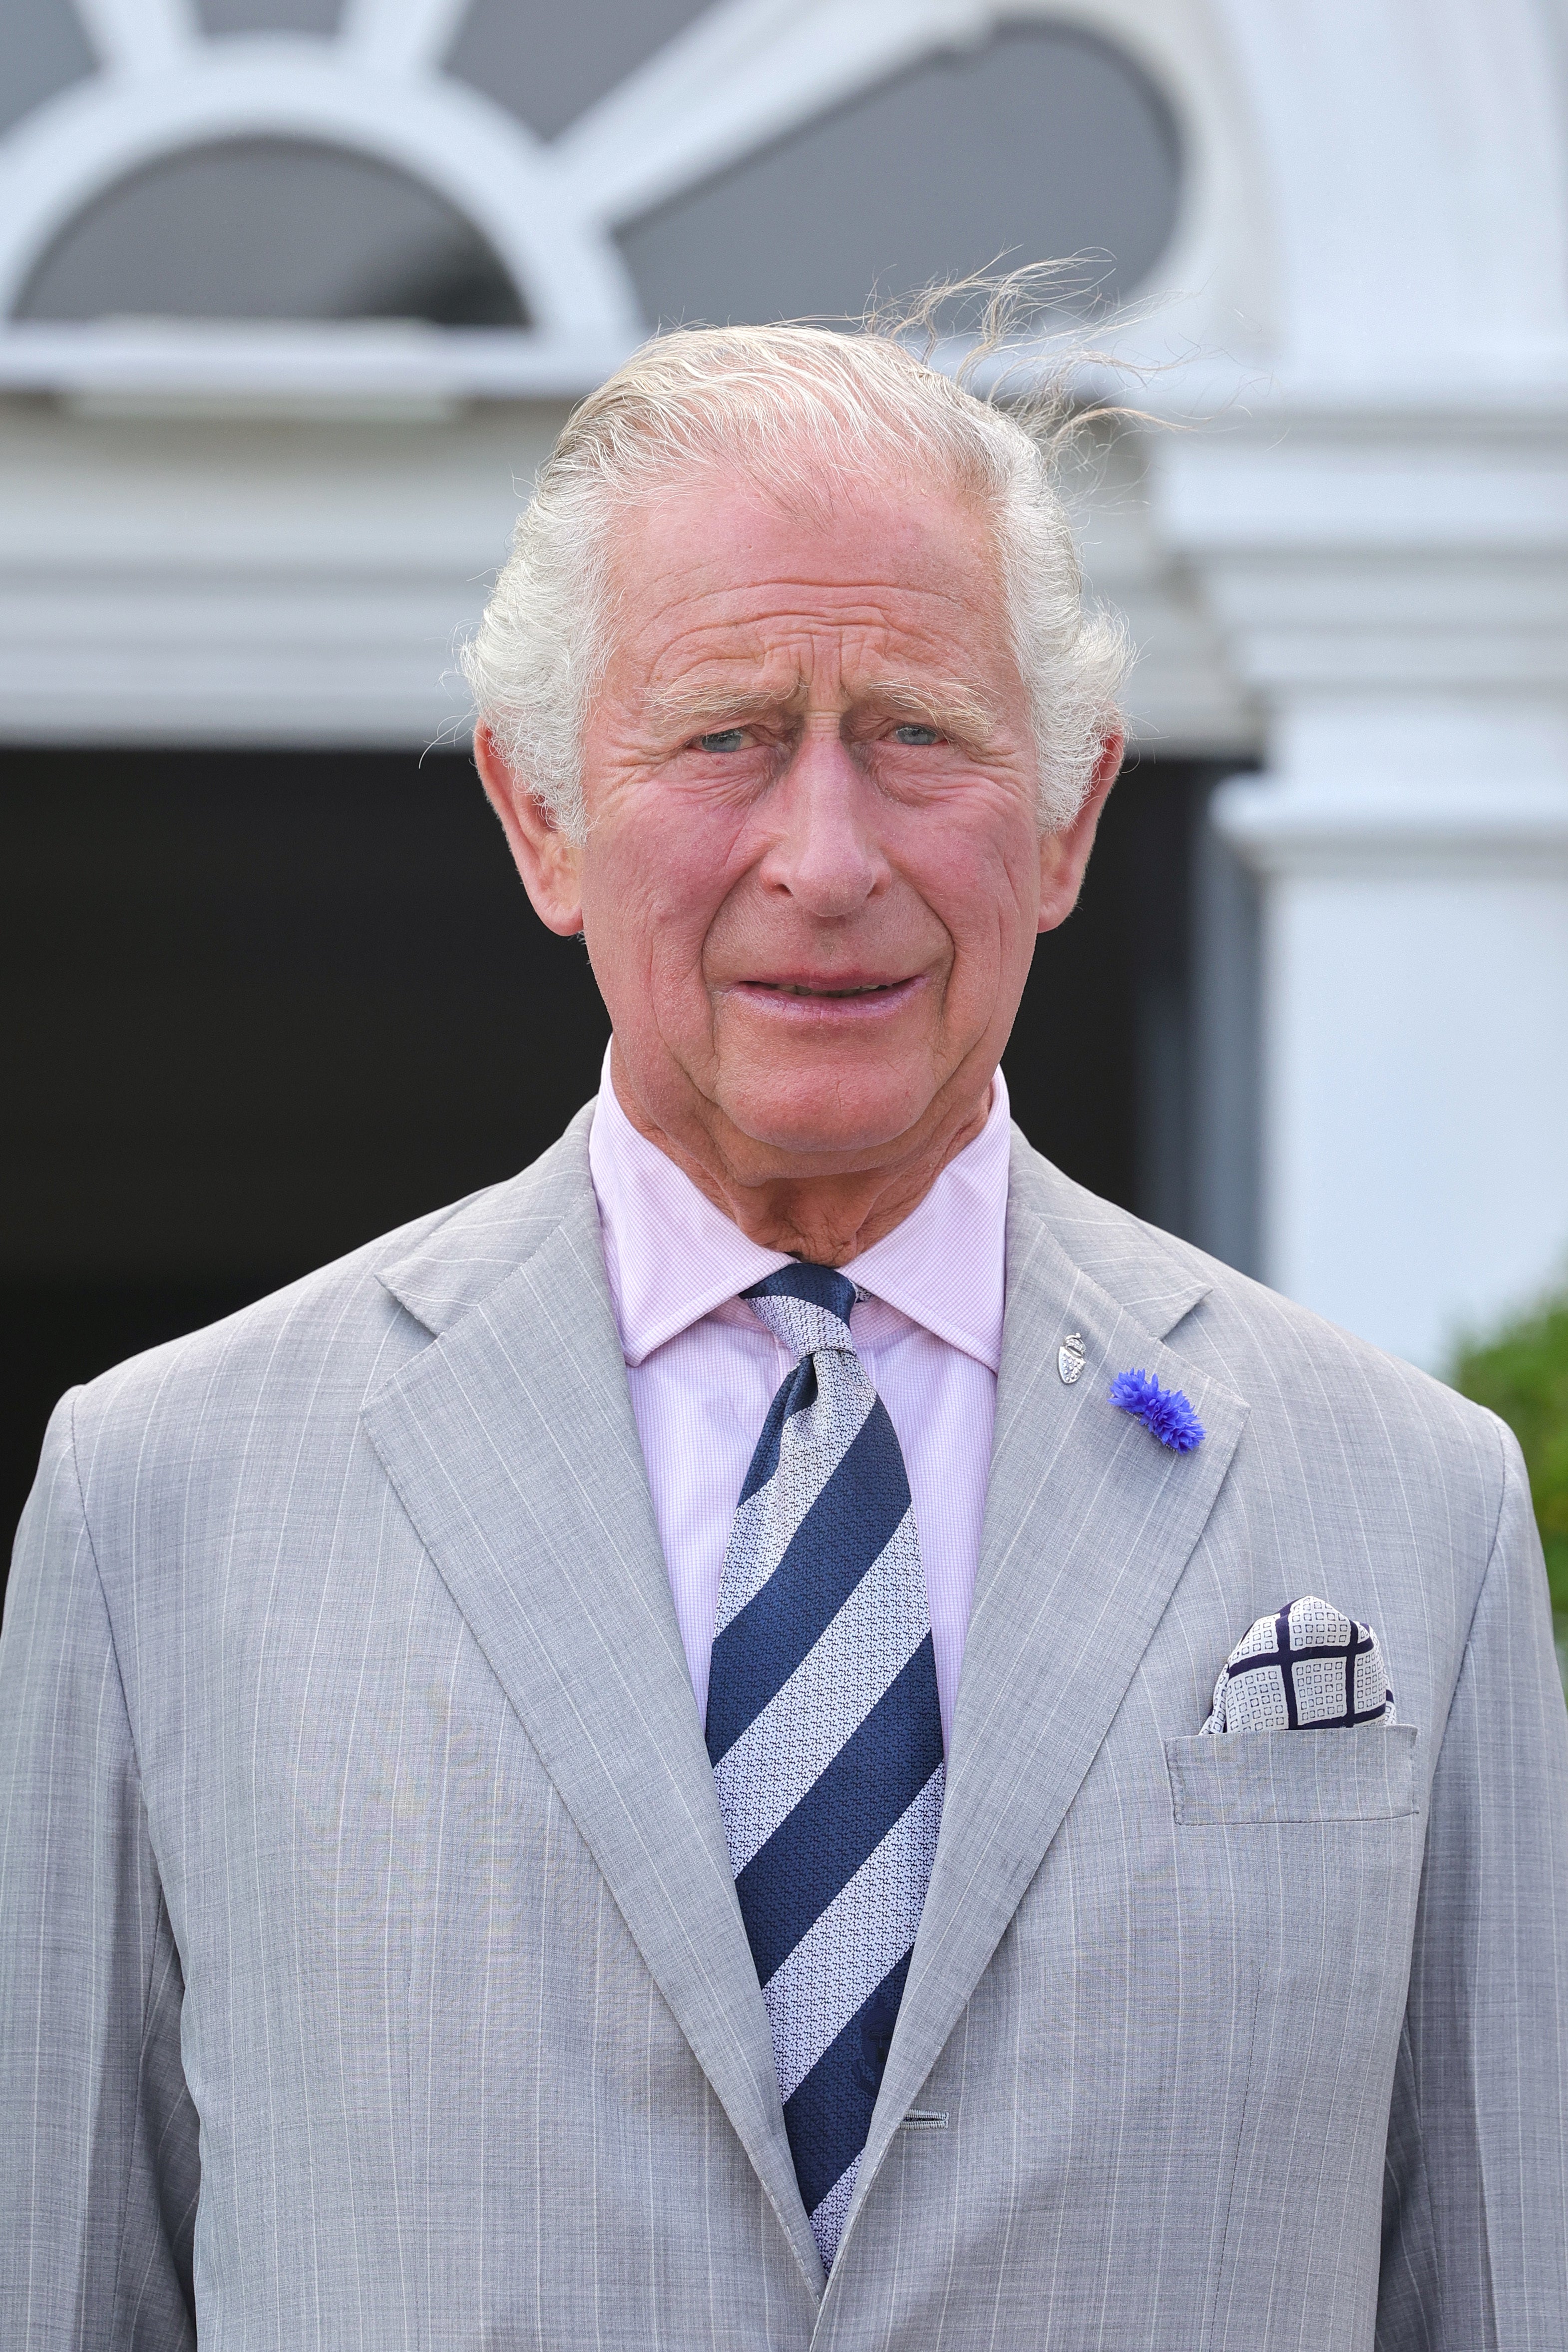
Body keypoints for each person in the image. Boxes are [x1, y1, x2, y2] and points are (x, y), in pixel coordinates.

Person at [2, 315, 1565, 2352]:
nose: (823, 859)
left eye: (916, 733)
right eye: (724, 732)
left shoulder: (1409, 1505)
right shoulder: (164, 1505)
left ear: (1069, 813)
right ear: (541, 816)